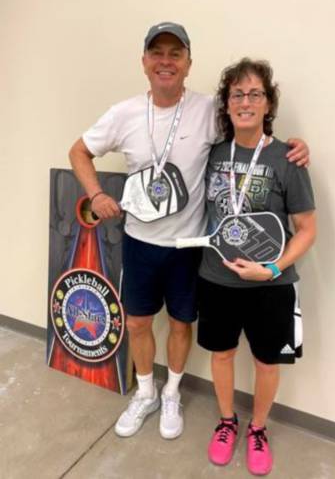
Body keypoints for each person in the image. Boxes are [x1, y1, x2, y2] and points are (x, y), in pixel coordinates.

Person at [69, 22, 310, 441]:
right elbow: (79, 151)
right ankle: (145, 393)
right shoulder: (122, 113)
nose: (166, 61)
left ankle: (173, 393)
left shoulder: (206, 112)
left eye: (175, 54)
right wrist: (94, 194)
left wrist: (293, 146)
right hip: (140, 242)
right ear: (144, 62)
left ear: (188, 63)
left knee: (182, 325)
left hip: (189, 247)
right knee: (139, 323)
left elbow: (249, 131)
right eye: (157, 53)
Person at [197, 57, 316, 475]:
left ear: (268, 104)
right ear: (227, 105)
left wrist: (273, 270)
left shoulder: (288, 158)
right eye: (237, 94)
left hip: (271, 285)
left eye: (255, 94)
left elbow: (306, 229)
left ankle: (258, 429)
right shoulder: (210, 154)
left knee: (267, 362)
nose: (245, 101)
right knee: (223, 355)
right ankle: (227, 421)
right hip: (215, 279)